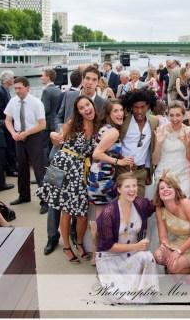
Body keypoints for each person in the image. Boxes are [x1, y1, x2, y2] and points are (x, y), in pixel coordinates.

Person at [38, 95, 97, 263]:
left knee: (81, 214)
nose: (86, 109)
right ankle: (66, 247)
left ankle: (78, 242)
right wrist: (52, 135)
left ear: (92, 105)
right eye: (82, 107)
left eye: (88, 105)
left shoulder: (99, 125)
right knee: (65, 210)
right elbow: (57, 139)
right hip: (62, 165)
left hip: (81, 170)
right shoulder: (73, 123)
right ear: (78, 112)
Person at [95, 173, 158, 303]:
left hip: (131, 255)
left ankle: (135, 283)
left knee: (147, 257)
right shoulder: (108, 213)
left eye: (134, 185)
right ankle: (105, 276)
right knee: (119, 296)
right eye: (127, 186)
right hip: (110, 258)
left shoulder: (140, 203)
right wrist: (136, 246)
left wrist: (166, 187)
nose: (132, 189)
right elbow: (108, 246)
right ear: (119, 189)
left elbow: (157, 204)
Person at [87, 100, 130, 262]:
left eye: (121, 110)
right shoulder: (114, 132)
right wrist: (119, 162)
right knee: (104, 218)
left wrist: (120, 157)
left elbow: (106, 151)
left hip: (97, 176)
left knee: (100, 217)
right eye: (115, 111)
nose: (120, 114)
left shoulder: (106, 129)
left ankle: (96, 254)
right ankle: (100, 254)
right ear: (109, 114)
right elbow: (97, 154)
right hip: (103, 179)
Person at [153, 172, 190, 274]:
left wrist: (178, 252)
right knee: (158, 256)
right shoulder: (159, 209)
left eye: (169, 187)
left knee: (173, 267)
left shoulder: (186, 203)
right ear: (158, 193)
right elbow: (163, 237)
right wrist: (166, 251)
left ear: (175, 190)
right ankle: (182, 270)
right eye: (162, 188)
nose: (165, 190)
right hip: (178, 243)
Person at [4, 77, 47, 207]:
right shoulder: (13, 101)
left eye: (20, 88)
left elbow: (42, 125)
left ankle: (45, 201)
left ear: (27, 88)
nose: (17, 91)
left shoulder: (36, 103)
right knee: (22, 167)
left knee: (39, 169)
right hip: (18, 137)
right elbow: (7, 120)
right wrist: (13, 133)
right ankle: (24, 196)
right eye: (15, 88)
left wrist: (26, 133)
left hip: (34, 137)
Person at [116, 88, 160, 198]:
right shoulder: (124, 120)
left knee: (138, 208)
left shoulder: (154, 121)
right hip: (123, 170)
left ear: (148, 106)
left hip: (141, 172)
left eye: (142, 107)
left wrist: (149, 170)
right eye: (136, 107)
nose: (139, 111)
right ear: (131, 107)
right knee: (124, 205)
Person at [152, 102, 190, 197]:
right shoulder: (160, 131)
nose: (174, 119)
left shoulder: (189, 131)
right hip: (164, 175)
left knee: (183, 202)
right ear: (167, 116)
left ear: (184, 115)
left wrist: (188, 145)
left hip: (183, 175)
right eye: (171, 115)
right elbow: (154, 161)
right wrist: (159, 143)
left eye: (178, 115)